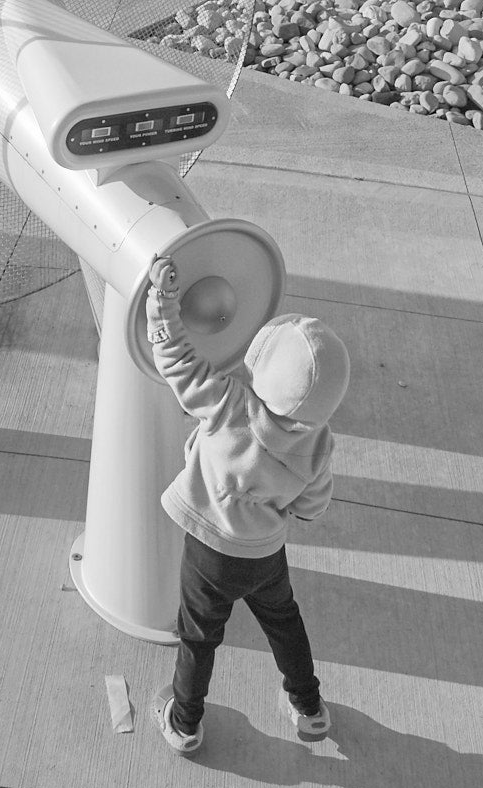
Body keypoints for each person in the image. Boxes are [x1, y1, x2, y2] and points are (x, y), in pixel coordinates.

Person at [145, 256, 349, 754]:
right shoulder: (319, 443)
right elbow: (312, 506)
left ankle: (185, 722)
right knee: (285, 622)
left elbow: (177, 361)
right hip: (265, 555)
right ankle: (309, 708)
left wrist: (163, 302)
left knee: (198, 636)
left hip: (210, 553)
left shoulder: (231, 405)